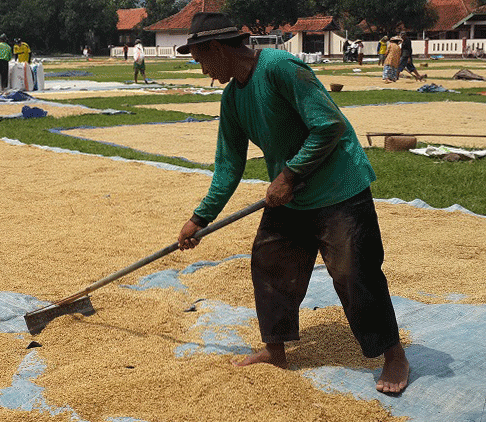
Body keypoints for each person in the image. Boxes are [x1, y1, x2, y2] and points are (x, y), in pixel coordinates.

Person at [174, 12, 410, 394]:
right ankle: (275, 349)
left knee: (354, 272)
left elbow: (329, 125)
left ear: (216, 48)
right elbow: (228, 165)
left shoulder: (280, 67)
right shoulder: (233, 98)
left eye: (200, 59)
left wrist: (288, 176)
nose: (201, 69)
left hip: (338, 189)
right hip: (292, 197)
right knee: (270, 263)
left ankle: (393, 353)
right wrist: (199, 219)